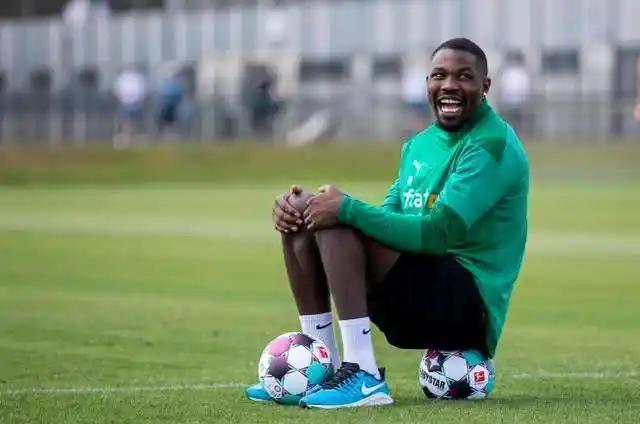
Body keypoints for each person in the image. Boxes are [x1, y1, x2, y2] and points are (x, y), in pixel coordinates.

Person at [247, 38, 529, 409]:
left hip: (466, 310)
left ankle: (364, 375)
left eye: (464, 77)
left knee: (338, 218)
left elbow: (438, 233)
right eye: (439, 76)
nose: (449, 85)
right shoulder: (418, 145)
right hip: (416, 292)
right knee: (305, 211)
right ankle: (321, 367)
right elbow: (388, 219)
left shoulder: (491, 144)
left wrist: (346, 209)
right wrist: (304, 209)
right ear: (427, 83)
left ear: (485, 86)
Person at [498, 51, 531, 135]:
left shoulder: (520, 72)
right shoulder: (511, 72)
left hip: (517, 101)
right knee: (511, 120)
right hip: (511, 101)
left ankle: (515, 133)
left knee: (516, 120)